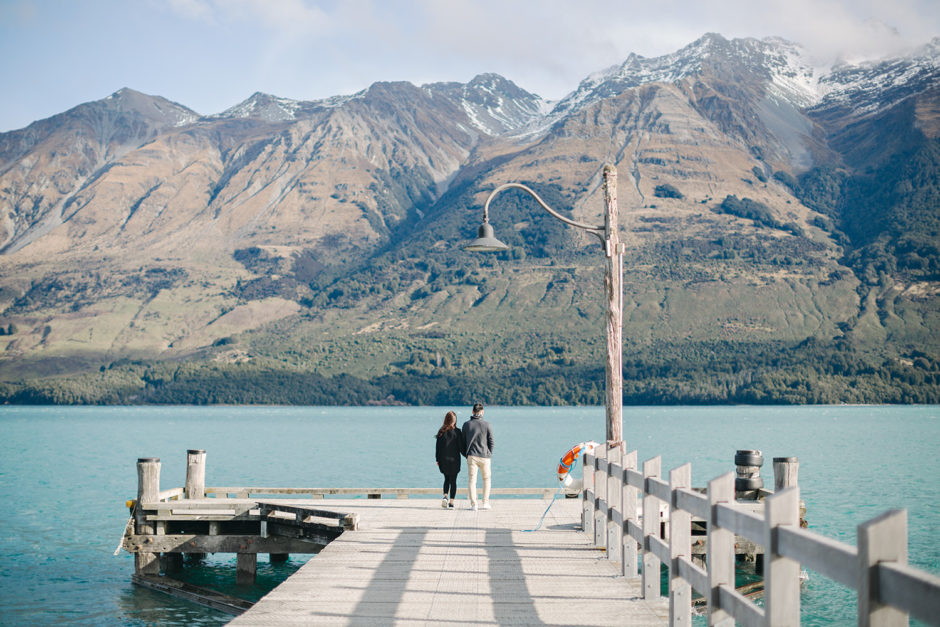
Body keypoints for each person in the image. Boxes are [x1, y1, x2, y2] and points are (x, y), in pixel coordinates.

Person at [461, 402, 494, 511]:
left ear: (472, 411)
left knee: (472, 481)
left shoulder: (466, 425)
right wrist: (489, 453)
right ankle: (485, 502)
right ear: (482, 412)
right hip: (485, 456)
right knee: (486, 479)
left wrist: (465, 454)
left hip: (472, 456)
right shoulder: (487, 424)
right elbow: (491, 441)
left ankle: (474, 504)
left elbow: (462, 443)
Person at [435, 411, 463, 509]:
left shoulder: (441, 431)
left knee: (446, 479)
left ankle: (445, 496)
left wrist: (437, 460)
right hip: (454, 460)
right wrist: (467, 455)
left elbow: (438, 448)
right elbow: (461, 448)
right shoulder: (458, 432)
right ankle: (451, 503)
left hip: (443, 460)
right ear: (455, 420)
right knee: (453, 481)